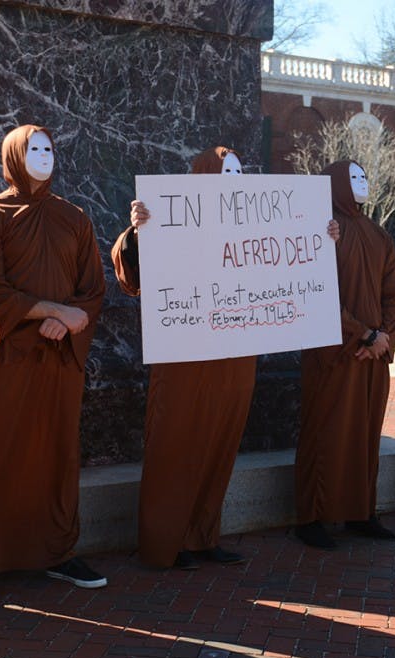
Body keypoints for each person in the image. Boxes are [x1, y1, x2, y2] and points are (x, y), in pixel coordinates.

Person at [0, 124, 106, 606]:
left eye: (49, 148)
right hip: (3, 357)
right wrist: (54, 311)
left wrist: (71, 321)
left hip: (57, 360)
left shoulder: (74, 217)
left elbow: (92, 289)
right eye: (32, 149)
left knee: (54, 452)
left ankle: (56, 551)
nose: (42, 156)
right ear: (14, 156)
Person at [114, 147, 257, 570]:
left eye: (239, 171)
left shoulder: (256, 224)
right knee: (176, 443)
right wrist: (138, 233)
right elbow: (133, 278)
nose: (234, 178)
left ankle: (203, 535)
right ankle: (164, 541)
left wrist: (319, 236)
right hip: (185, 358)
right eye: (225, 170)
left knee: (220, 445)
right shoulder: (170, 219)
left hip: (234, 359)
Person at [293, 160, 395, 550]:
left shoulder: (379, 234)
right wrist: (362, 335)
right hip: (334, 354)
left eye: (365, 175)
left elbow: (394, 292)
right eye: (353, 177)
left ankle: (361, 511)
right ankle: (312, 516)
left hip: (371, 357)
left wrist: (384, 337)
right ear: (335, 184)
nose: (363, 182)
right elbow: (316, 290)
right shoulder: (321, 232)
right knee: (325, 433)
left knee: (366, 435)